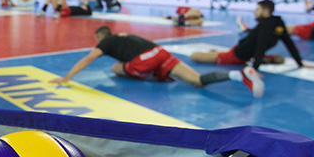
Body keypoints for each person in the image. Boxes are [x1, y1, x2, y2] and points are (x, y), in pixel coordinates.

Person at [50, 26, 265, 98]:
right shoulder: (123, 35)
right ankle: (238, 75)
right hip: (160, 51)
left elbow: (88, 59)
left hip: (145, 61)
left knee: (116, 68)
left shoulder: (105, 43)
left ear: (100, 37)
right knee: (197, 80)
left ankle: (156, 77)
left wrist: (67, 77)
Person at [190, 0, 305, 71]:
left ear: (266, 11)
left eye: (258, 9)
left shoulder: (265, 25)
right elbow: (289, 43)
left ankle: (217, 54)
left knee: (195, 56)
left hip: (236, 56)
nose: (255, 12)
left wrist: (254, 70)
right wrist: (299, 63)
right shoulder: (278, 22)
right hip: (245, 53)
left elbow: (260, 46)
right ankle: (263, 59)